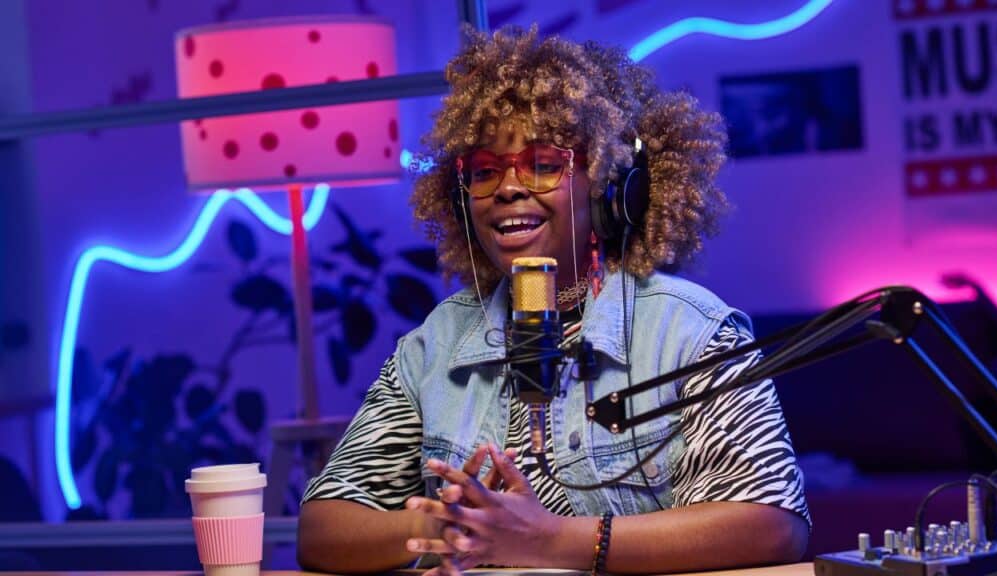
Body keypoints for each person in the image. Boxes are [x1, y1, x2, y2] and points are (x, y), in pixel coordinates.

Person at [298, 26, 809, 575]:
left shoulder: (691, 330)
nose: (509, 188)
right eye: (485, 172)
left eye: (543, 164)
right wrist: (450, 527)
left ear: (610, 187)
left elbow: (772, 523)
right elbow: (324, 530)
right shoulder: (437, 344)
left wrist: (551, 541)